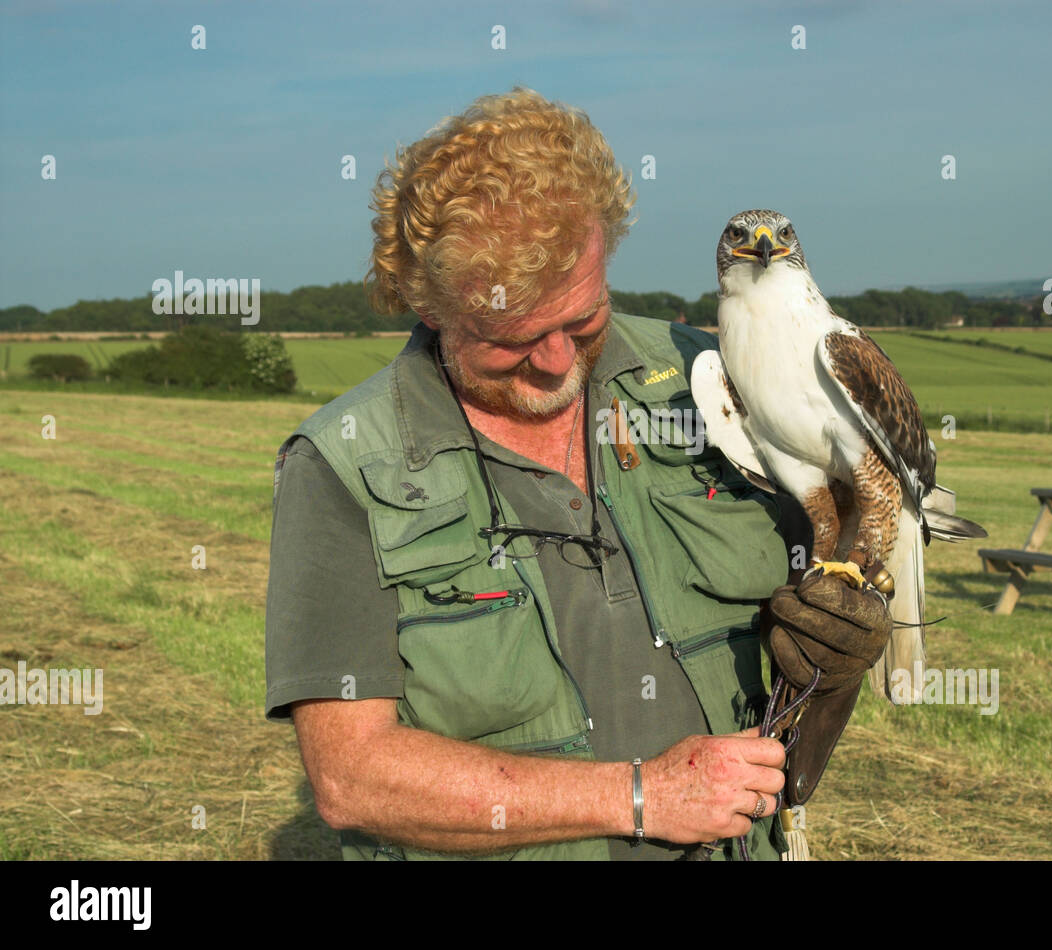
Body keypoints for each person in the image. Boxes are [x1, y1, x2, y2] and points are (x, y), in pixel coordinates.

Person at [264, 87, 889, 861]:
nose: (557, 362)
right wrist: (640, 796)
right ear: (427, 306)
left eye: (582, 318)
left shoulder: (710, 376)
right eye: (511, 337)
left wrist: (836, 661)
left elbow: (814, 619)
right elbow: (353, 776)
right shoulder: (343, 465)